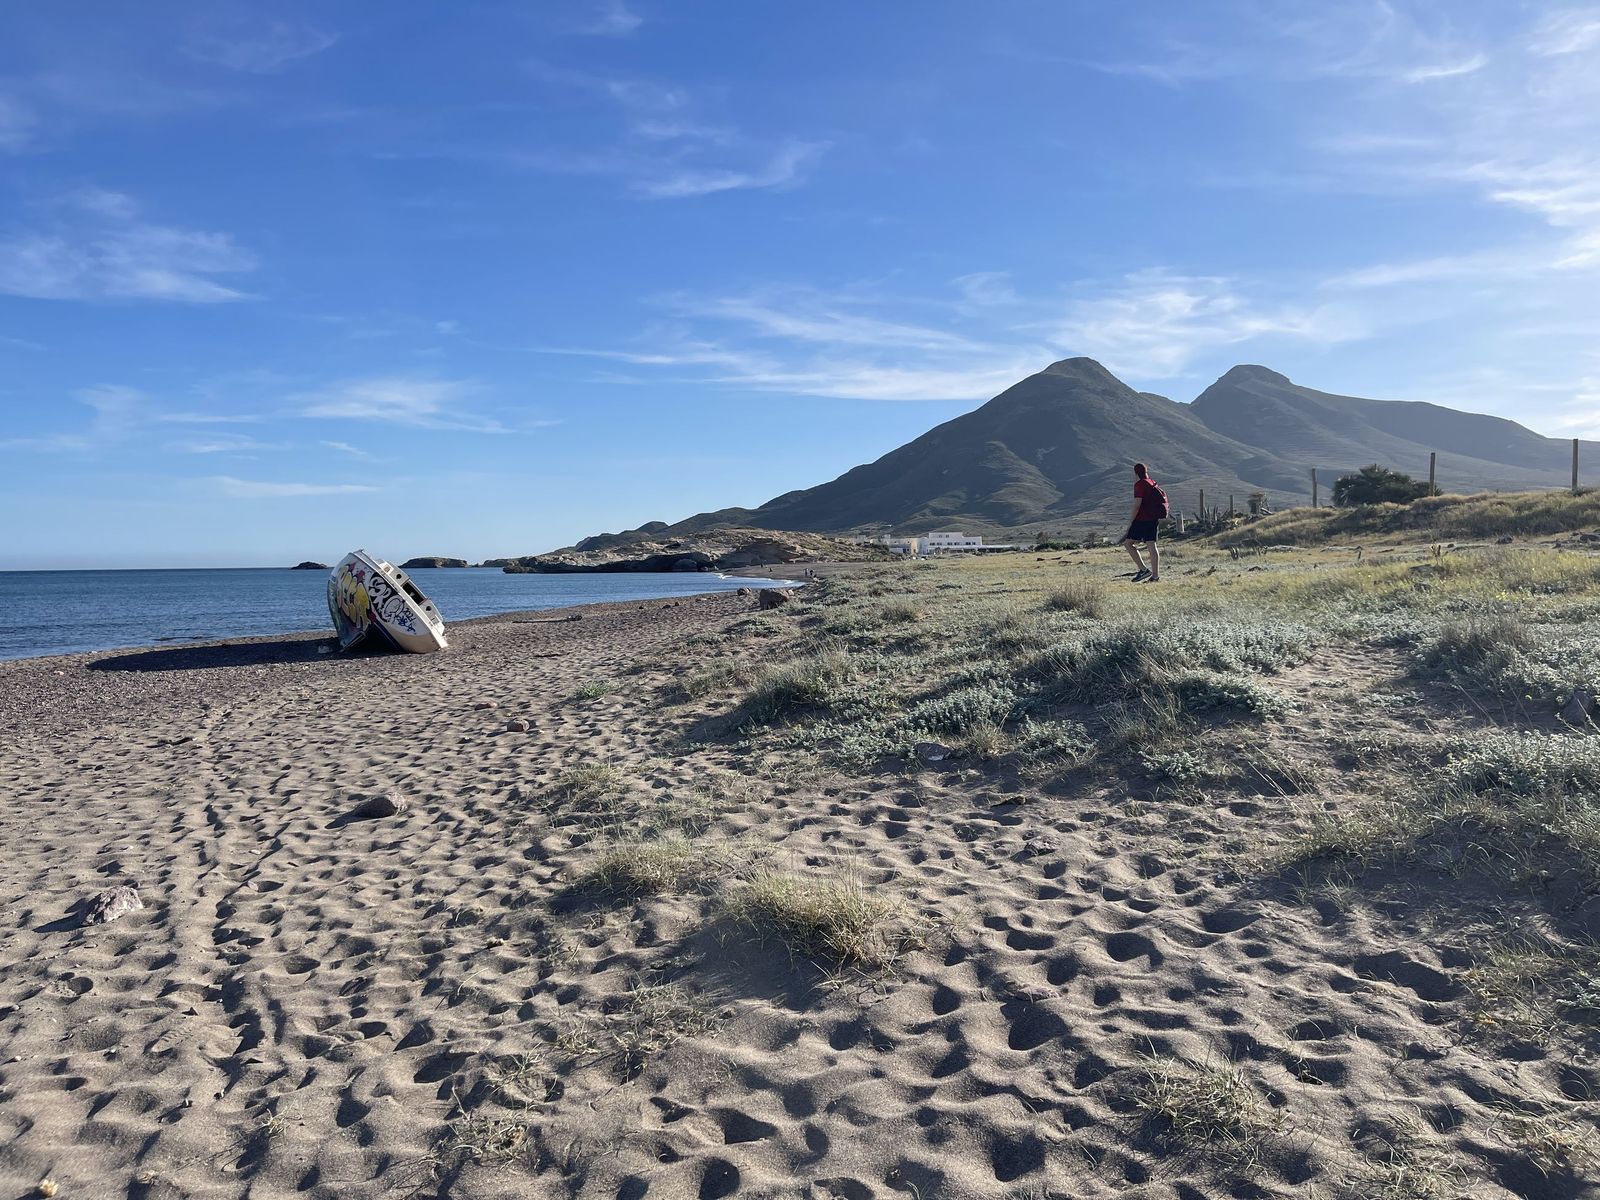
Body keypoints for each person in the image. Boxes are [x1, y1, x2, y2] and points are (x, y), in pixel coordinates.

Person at [1121, 462, 1163, 582]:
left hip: (1142, 519)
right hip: (1153, 518)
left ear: (1135, 473)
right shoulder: (1151, 482)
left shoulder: (1140, 484)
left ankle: (1143, 570)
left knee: (1128, 544)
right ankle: (1155, 576)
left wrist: (1130, 522)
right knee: (1151, 545)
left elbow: (1137, 505)